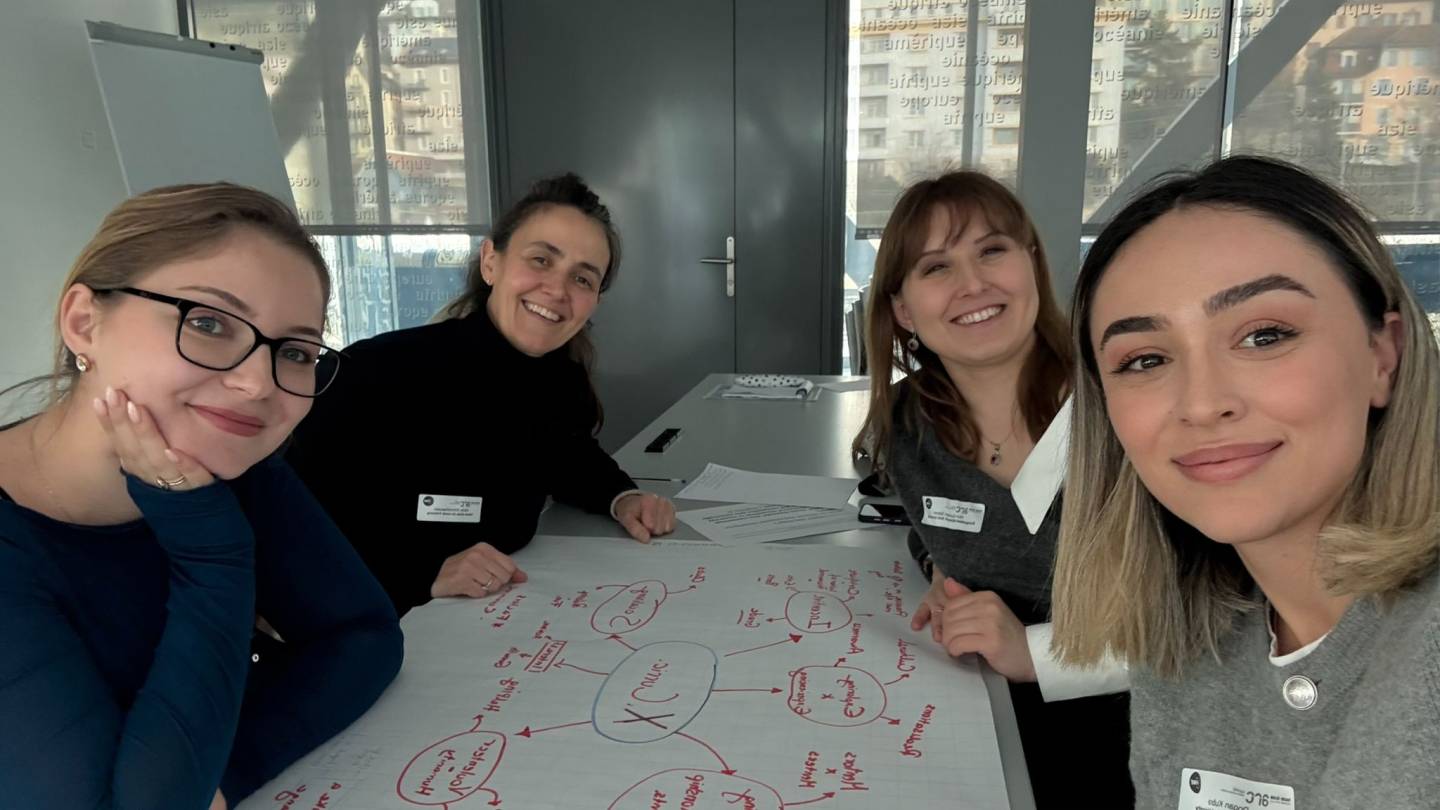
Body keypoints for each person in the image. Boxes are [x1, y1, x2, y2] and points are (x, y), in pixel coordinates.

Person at [1051, 156, 1440, 807]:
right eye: (1144, 359)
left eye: (1264, 336)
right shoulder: (1183, 637)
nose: (1202, 404)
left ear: (1383, 355)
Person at [0, 183, 403, 809]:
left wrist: (218, 774)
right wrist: (209, 552)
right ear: (84, 323)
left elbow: (365, 635)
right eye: (209, 323)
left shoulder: (226, 462)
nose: (257, 384)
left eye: (295, 351)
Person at [853, 170, 1131, 807]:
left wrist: (1034, 654)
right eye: (936, 267)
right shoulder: (908, 424)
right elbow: (936, 522)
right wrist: (941, 569)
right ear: (903, 310)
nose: (973, 284)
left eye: (992, 250)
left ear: (1031, 262)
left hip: (1131, 745)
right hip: (978, 727)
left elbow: (1219, 620)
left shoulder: (1123, 408)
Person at [288, 173, 676, 616]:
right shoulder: (374, 373)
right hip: (380, 620)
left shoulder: (558, 378)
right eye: (541, 260)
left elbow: (567, 453)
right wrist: (421, 571)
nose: (557, 290)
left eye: (583, 279)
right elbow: (292, 522)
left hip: (497, 614)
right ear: (491, 261)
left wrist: (622, 498)